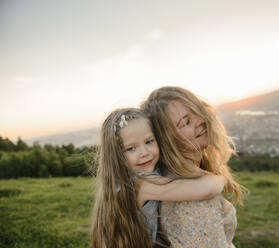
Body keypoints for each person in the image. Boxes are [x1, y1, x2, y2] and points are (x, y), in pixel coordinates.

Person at [90, 108, 229, 248]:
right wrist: (222, 179)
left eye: (149, 141)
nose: (144, 153)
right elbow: (207, 189)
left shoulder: (126, 179)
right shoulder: (141, 185)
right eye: (131, 148)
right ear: (115, 155)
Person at [141, 86, 245, 248]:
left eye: (198, 110)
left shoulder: (183, 180)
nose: (201, 120)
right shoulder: (192, 202)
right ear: (168, 140)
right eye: (186, 122)